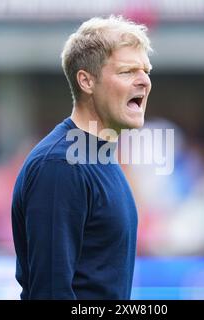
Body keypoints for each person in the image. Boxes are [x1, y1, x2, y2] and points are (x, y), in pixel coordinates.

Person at [11, 15, 153, 299]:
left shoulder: (98, 157)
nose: (144, 81)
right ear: (86, 81)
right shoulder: (61, 165)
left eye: (146, 70)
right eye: (127, 71)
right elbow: (51, 294)